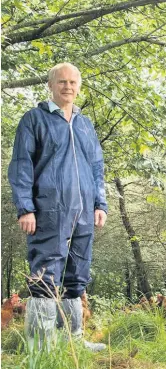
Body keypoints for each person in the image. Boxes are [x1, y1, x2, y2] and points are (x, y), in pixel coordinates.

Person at [8, 63, 107, 351]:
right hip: (48, 210)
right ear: (50, 85)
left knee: (77, 274)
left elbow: (96, 167)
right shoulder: (34, 120)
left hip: (84, 213)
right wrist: (25, 207)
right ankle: (42, 346)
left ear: (79, 86)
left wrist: (100, 203)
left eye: (73, 82)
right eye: (61, 81)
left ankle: (72, 341)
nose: (68, 87)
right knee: (45, 274)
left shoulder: (84, 124)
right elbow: (21, 166)